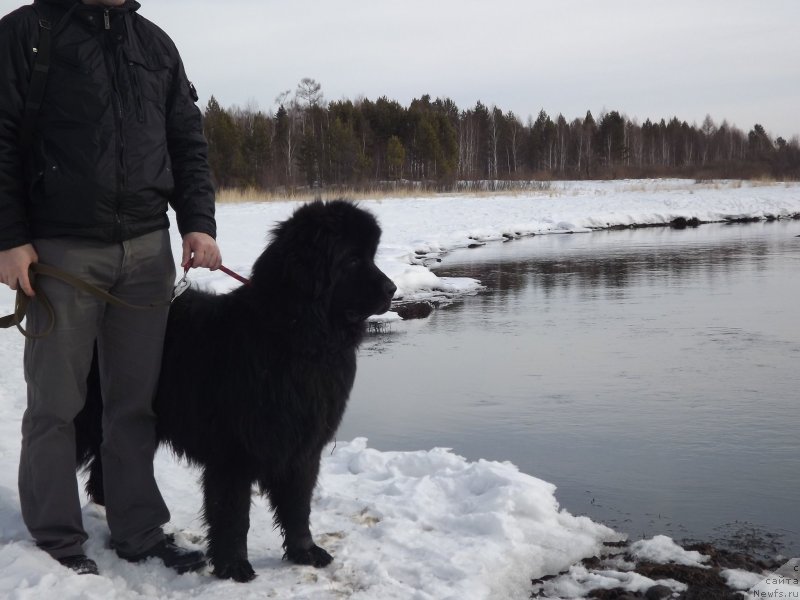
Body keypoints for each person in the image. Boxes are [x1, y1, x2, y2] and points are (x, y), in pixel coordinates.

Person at [0, 0, 221, 576]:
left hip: (147, 250)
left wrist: (198, 222)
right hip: (61, 250)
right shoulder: (25, 32)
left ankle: (139, 531)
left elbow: (186, 140)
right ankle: (57, 540)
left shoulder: (155, 44)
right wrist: (9, 237)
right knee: (55, 406)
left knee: (134, 404)